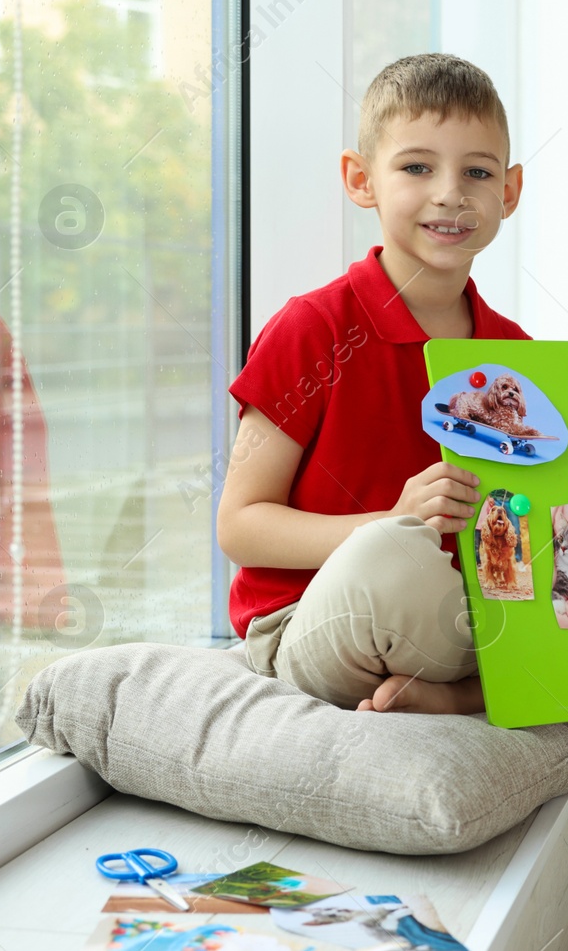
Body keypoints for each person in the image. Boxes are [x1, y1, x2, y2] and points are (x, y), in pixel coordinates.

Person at [217, 53, 526, 716]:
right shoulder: (311, 328)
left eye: (478, 171)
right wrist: (394, 522)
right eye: (417, 167)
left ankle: (463, 691)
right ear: (361, 180)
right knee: (392, 560)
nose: (450, 192)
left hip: (463, 613)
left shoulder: (515, 356)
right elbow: (240, 524)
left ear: (509, 191)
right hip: (314, 615)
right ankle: (480, 687)